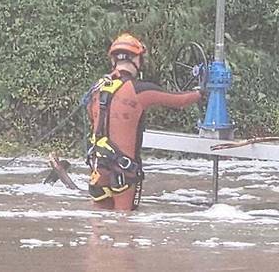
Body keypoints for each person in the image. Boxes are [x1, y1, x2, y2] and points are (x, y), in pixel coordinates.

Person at [85, 33, 202, 210]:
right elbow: (180, 101)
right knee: (125, 225)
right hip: (124, 171)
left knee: (98, 224)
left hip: (98, 167)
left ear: (113, 60)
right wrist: (202, 93)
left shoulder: (97, 90)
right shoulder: (139, 90)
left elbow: (92, 119)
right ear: (136, 59)